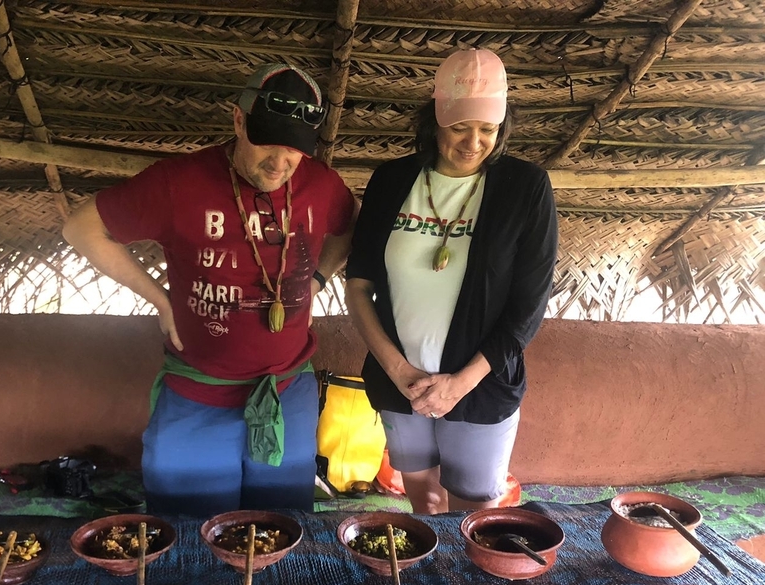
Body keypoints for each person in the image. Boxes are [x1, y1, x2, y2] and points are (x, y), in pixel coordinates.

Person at [62, 63, 357, 516]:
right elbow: (82, 229)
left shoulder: (321, 184)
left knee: (280, 530)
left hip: (286, 395)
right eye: (266, 143)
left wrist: (316, 280)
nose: (279, 163)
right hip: (197, 396)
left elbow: (348, 229)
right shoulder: (178, 183)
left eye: (293, 150)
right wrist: (160, 300)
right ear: (238, 121)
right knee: (189, 535)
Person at [345, 48, 558, 514]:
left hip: (481, 385)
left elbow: (528, 306)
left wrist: (460, 383)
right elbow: (359, 284)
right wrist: (400, 372)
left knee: (475, 507)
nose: (473, 142)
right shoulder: (391, 180)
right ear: (435, 119)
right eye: (460, 127)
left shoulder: (526, 187)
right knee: (422, 497)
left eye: (488, 129)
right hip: (400, 383)